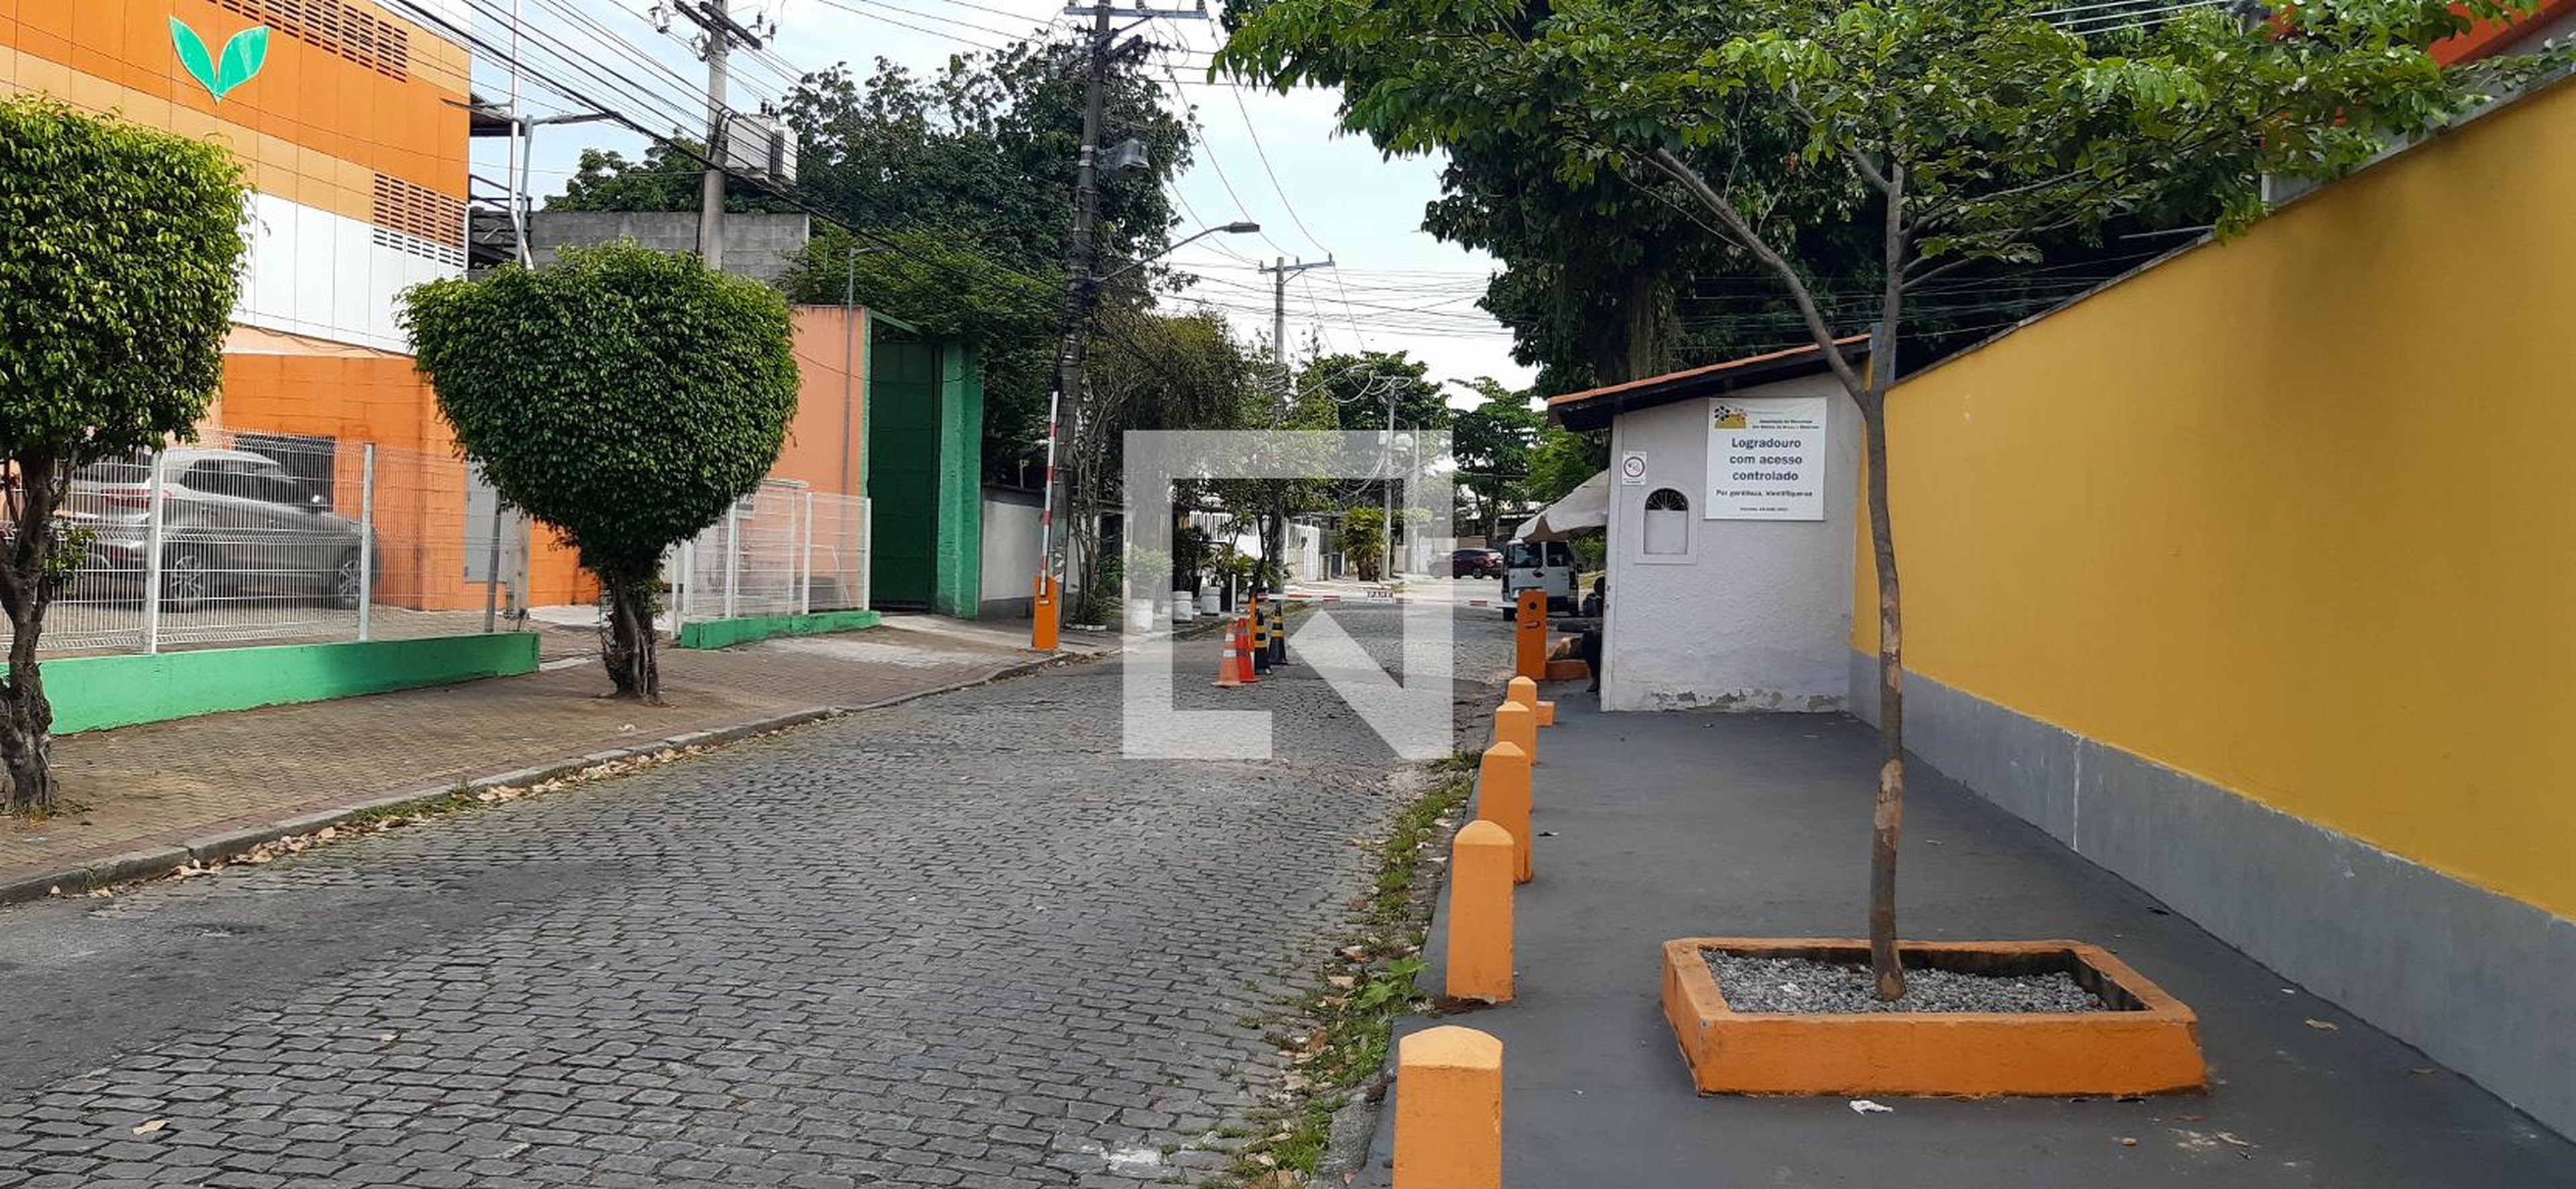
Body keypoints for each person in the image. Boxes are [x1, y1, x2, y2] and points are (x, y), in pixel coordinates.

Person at [1578, 576, 1605, 693]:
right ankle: (1596, 678)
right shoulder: (1592, 601)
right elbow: (1590, 618)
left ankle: (1598, 679)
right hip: (1595, 636)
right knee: (1587, 645)